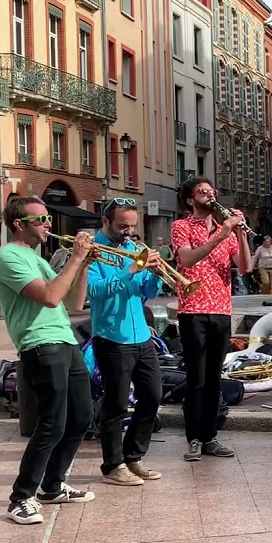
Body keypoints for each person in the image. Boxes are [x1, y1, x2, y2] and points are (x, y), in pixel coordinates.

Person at [0, 196, 96, 524]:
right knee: (52, 422)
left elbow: (75, 303)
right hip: (40, 344)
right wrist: (75, 257)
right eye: (41, 220)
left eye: (49, 218)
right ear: (19, 224)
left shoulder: (38, 259)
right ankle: (21, 497)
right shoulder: (8, 257)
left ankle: (52, 485)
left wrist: (84, 265)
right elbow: (50, 297)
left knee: (82, 416)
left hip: (64, 340)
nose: (48, 225)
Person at [171, 177, 253, 462]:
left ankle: (210, 437)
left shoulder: (226, 230)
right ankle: (193, 437)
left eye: (212, 191)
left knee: (214, 379)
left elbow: (245, 267)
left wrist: (240, 234)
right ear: (191, 200)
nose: (210, 195)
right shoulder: (181, 226)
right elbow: (188, 259)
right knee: (196, 379)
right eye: (203, 192)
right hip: (193, 310)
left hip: (220, 310)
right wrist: (221, 235)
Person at [87, 199, 164, 486]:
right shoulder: (92, 253)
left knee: (153, 395)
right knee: (116, 403)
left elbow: (145, 292)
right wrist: (128, 270)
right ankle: (113, 464)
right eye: (122, 226)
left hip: (141, 335)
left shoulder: (133, 248)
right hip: (111, 336)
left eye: (132, 226)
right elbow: (93, 292)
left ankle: (134, 456)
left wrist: (154, 276)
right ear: (105, 222)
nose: (128, 232)